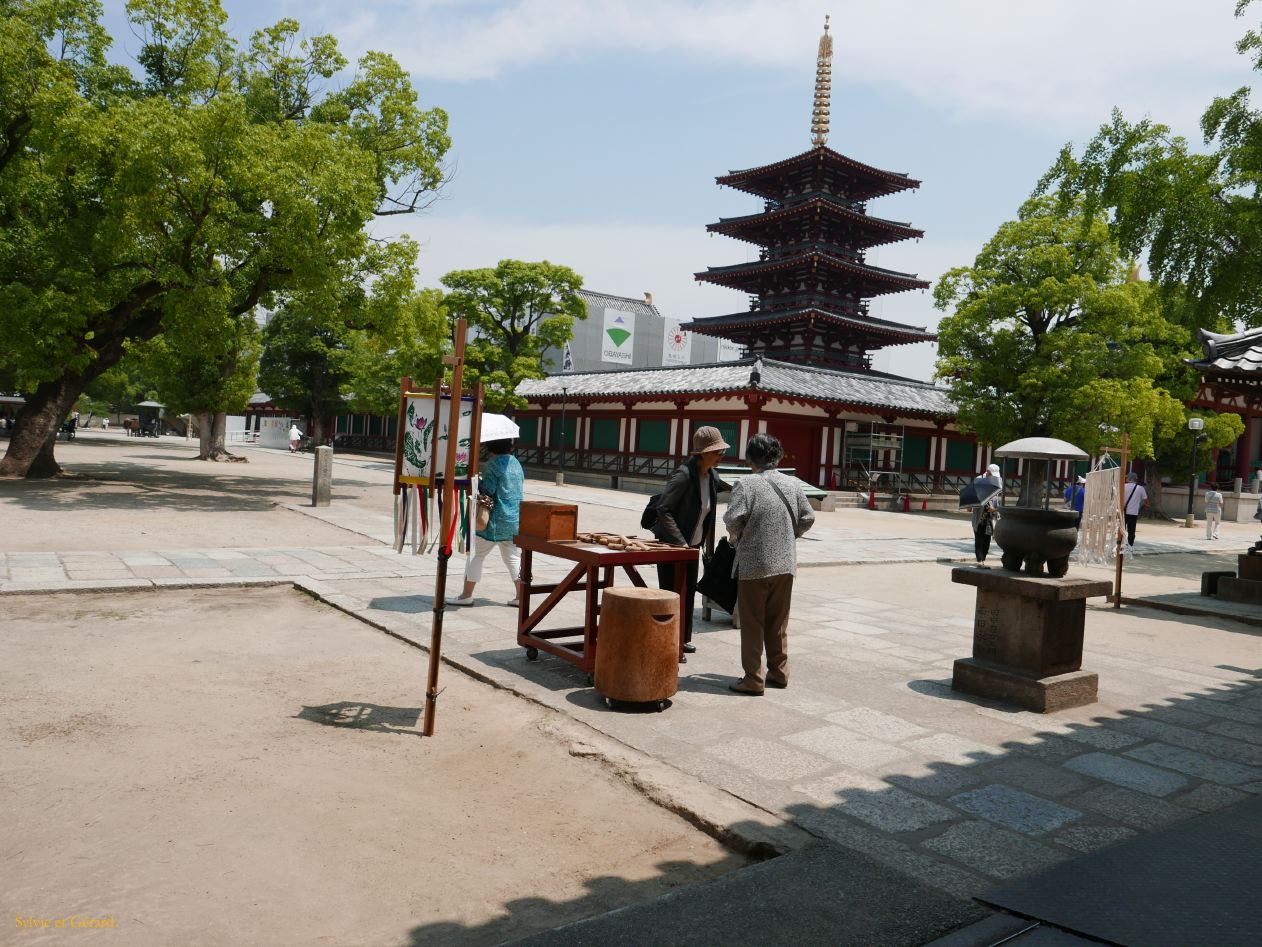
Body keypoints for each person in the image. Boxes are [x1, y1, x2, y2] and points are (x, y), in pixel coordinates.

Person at [723, 434, 815, 695]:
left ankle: (753, 678)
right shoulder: (793, 484)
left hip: (754, 562)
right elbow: (808, 517)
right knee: (778, 622)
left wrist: (743, 533)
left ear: (750, 458)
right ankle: (779, 672)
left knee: (753, 622)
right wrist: (788, 534)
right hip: (785, 562)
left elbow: (733, 519)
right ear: (777, 456)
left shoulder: (745, 484)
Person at [654, 426, 731, 655]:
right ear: (702, 453)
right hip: (672, 546)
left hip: (692, 546)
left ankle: (683, 639)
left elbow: (708, 513)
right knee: (671, 593)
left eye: (721, 451)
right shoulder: (684, 475)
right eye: (716, 452)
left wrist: (704, 546)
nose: (720, 456)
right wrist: (680, 542)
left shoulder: (713, 477)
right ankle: (667, 642)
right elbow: (663, 509)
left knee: (688, 593)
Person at [452, 439, 524, 607]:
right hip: (513, 518)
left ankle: (466, 594)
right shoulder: (516, 463)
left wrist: (476, 482)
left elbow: (488, 490)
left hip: (494, 520)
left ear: (490, 447)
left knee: (477, 554)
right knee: (512, 557)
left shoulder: (492, 465)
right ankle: (521, 596)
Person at [971, 464, 1002, 566]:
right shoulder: (979, 480)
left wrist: (995, 509)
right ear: (988, 471)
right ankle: (980, 560)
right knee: (979, 539)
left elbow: (996, 499)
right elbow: (973, 496)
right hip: (979, 515)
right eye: (992, 474)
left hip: (989, 517)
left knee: (987, 540)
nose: (993, 476)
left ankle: (983, 558)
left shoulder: (996, 482)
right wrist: (971, 506)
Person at [1123, 471, 1150, 548]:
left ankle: (1120, 545)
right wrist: (1147, 505)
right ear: (1135, 479)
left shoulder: (1123, 486)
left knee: (1121, 530)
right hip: (1133, 513)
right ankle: (1130, 546)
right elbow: (1145, 500)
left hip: (1123, 512)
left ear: (1129, 478)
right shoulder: (1140, 488)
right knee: (1131, 531)